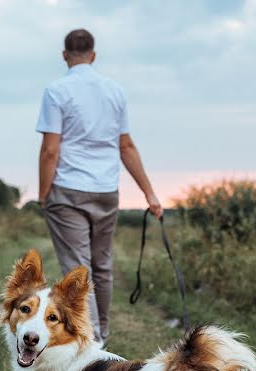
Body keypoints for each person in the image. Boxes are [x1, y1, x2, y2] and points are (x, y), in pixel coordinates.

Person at [36, 29, 162, 345]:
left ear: (64, 55)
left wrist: (42, 193)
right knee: (101, 267)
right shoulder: (114, 91)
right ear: (93, 55)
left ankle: (89, 342)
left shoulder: (56, 91)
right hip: (106, 190)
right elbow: (127, 146)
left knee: (78, 269)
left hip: (68, 190)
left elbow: (51, 149)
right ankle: (101, 335)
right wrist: (149, 193)